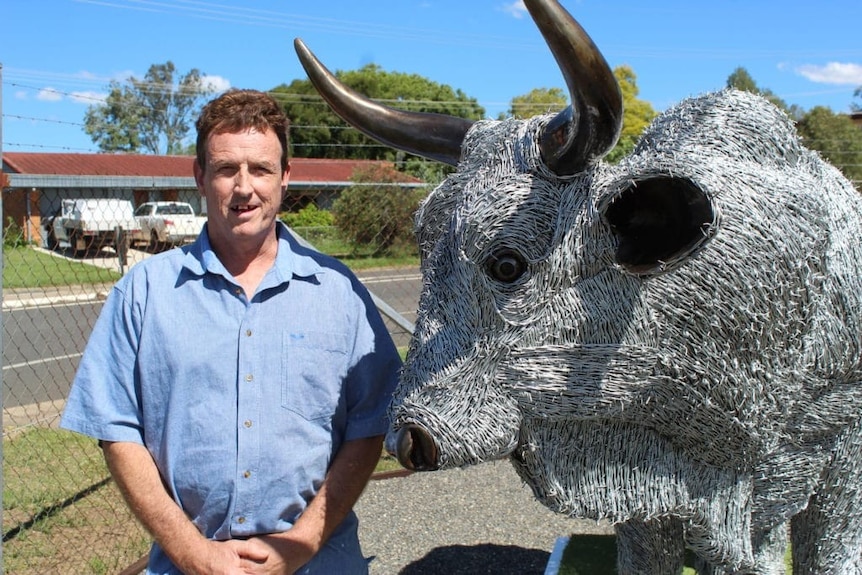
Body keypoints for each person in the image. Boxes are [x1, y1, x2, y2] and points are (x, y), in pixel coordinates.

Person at [60, 88, 402, 575]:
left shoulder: (338, 292)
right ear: (199, 176)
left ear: (285, 177)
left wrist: (303, 541)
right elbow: (117, 431)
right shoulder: (144, 293)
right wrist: (190, 551)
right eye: (226, 169)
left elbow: (371, 423)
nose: (245, 188)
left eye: (261, 169)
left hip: (320, 561)